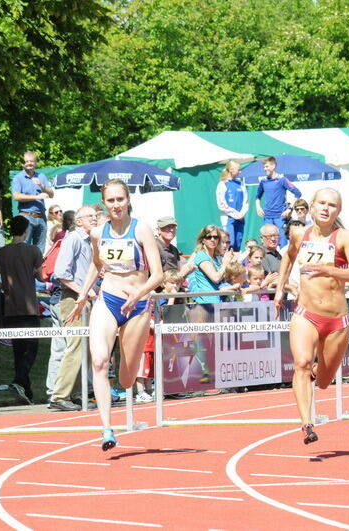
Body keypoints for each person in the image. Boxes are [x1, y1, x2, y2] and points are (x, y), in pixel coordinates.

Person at [66, 179, 163, 451]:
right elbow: (96, 265)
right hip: (108, 300)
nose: (116, 205)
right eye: (111, 200)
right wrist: (83, 294)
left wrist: (138, 293)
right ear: (104, 203)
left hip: (137, 306)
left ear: (128, 199)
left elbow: (158, 275)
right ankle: (107, 429)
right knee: (98, 361)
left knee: (126, 379)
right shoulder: (98, 233)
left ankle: (126, 377)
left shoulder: (141, 230)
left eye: (120, 199)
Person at [275, 187, 349, 444]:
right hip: (306, 313)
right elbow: (288, 258)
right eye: (321, 203)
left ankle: (317, 372)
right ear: (312, 207)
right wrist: (280, 288)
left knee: (324, 381)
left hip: (336, 320)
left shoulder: (345, 237)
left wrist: (328, 270)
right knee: (300, 363)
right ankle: (307, 424)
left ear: (339, 210)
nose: (326, 208)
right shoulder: (300, 234)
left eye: (332, 205)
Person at [46, 206, 98, 411]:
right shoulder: (73, 240)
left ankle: (75, 393)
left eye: (95, 216)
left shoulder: (89, 241)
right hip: (72, 299)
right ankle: (59, 396)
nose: (94, 219)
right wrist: (84, 292)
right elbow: (61, 273)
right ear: (78, 221)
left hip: (84, 298)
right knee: (75, 347)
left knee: (86, 348)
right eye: (90, 216)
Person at [0, 215, 44, 404]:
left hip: (10, 307)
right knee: (32, 349)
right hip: (29, 307)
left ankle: (26, 392)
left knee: (19, 352)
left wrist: (5, 287)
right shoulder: (33, 250)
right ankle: (19, 381)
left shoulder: (0, 252)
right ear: (26, 231)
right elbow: (42, 277)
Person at [185, 224, 235, 382]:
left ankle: (216, 377)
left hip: (218, 304)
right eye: (209, 237)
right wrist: (226, 263)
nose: (213, 240)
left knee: (217, 344)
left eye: (216, 237)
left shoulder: (217, 257)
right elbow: (215, 277)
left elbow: (224, 279)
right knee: (204, 344)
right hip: (205, 305)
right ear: (203, 239)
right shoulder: (201, 256)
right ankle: (204, 377)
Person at [11, 151, 54, 254]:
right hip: (26, 216)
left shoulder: (41, 176)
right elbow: (16, 196)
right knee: (23, 248)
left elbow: (51, 194)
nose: (29, 163)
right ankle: (21, 269)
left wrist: (42, 186)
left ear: (36, 163)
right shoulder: (18, 178)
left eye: (31, 161)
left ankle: (37, 270)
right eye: (26, 161)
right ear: (23, 164)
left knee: (39, 250)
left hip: (41, 217)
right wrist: (36, 197)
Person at [255, 156, 301, 246]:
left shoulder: (282, 179)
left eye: (267, 166)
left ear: (274, 166)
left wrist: (289, 209)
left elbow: (297, 193)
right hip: (267, 217)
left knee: (282, 243)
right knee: (268, 243)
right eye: (264, 167)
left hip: (280, 217)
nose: (265, 169)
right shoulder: (263, 181)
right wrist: (258, 207)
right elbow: (257, 196)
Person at [216, 161, 248, 251]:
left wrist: (242, 214)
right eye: (239, 169)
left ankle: (235, 264)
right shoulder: (223, 184)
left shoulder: (241, 184)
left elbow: (246, 201)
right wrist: (235, 214)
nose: (240, 172)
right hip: (229, 219)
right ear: (231, 170)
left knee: (238, 244)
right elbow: (221, 204)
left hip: (240, 219)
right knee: (229, 244)